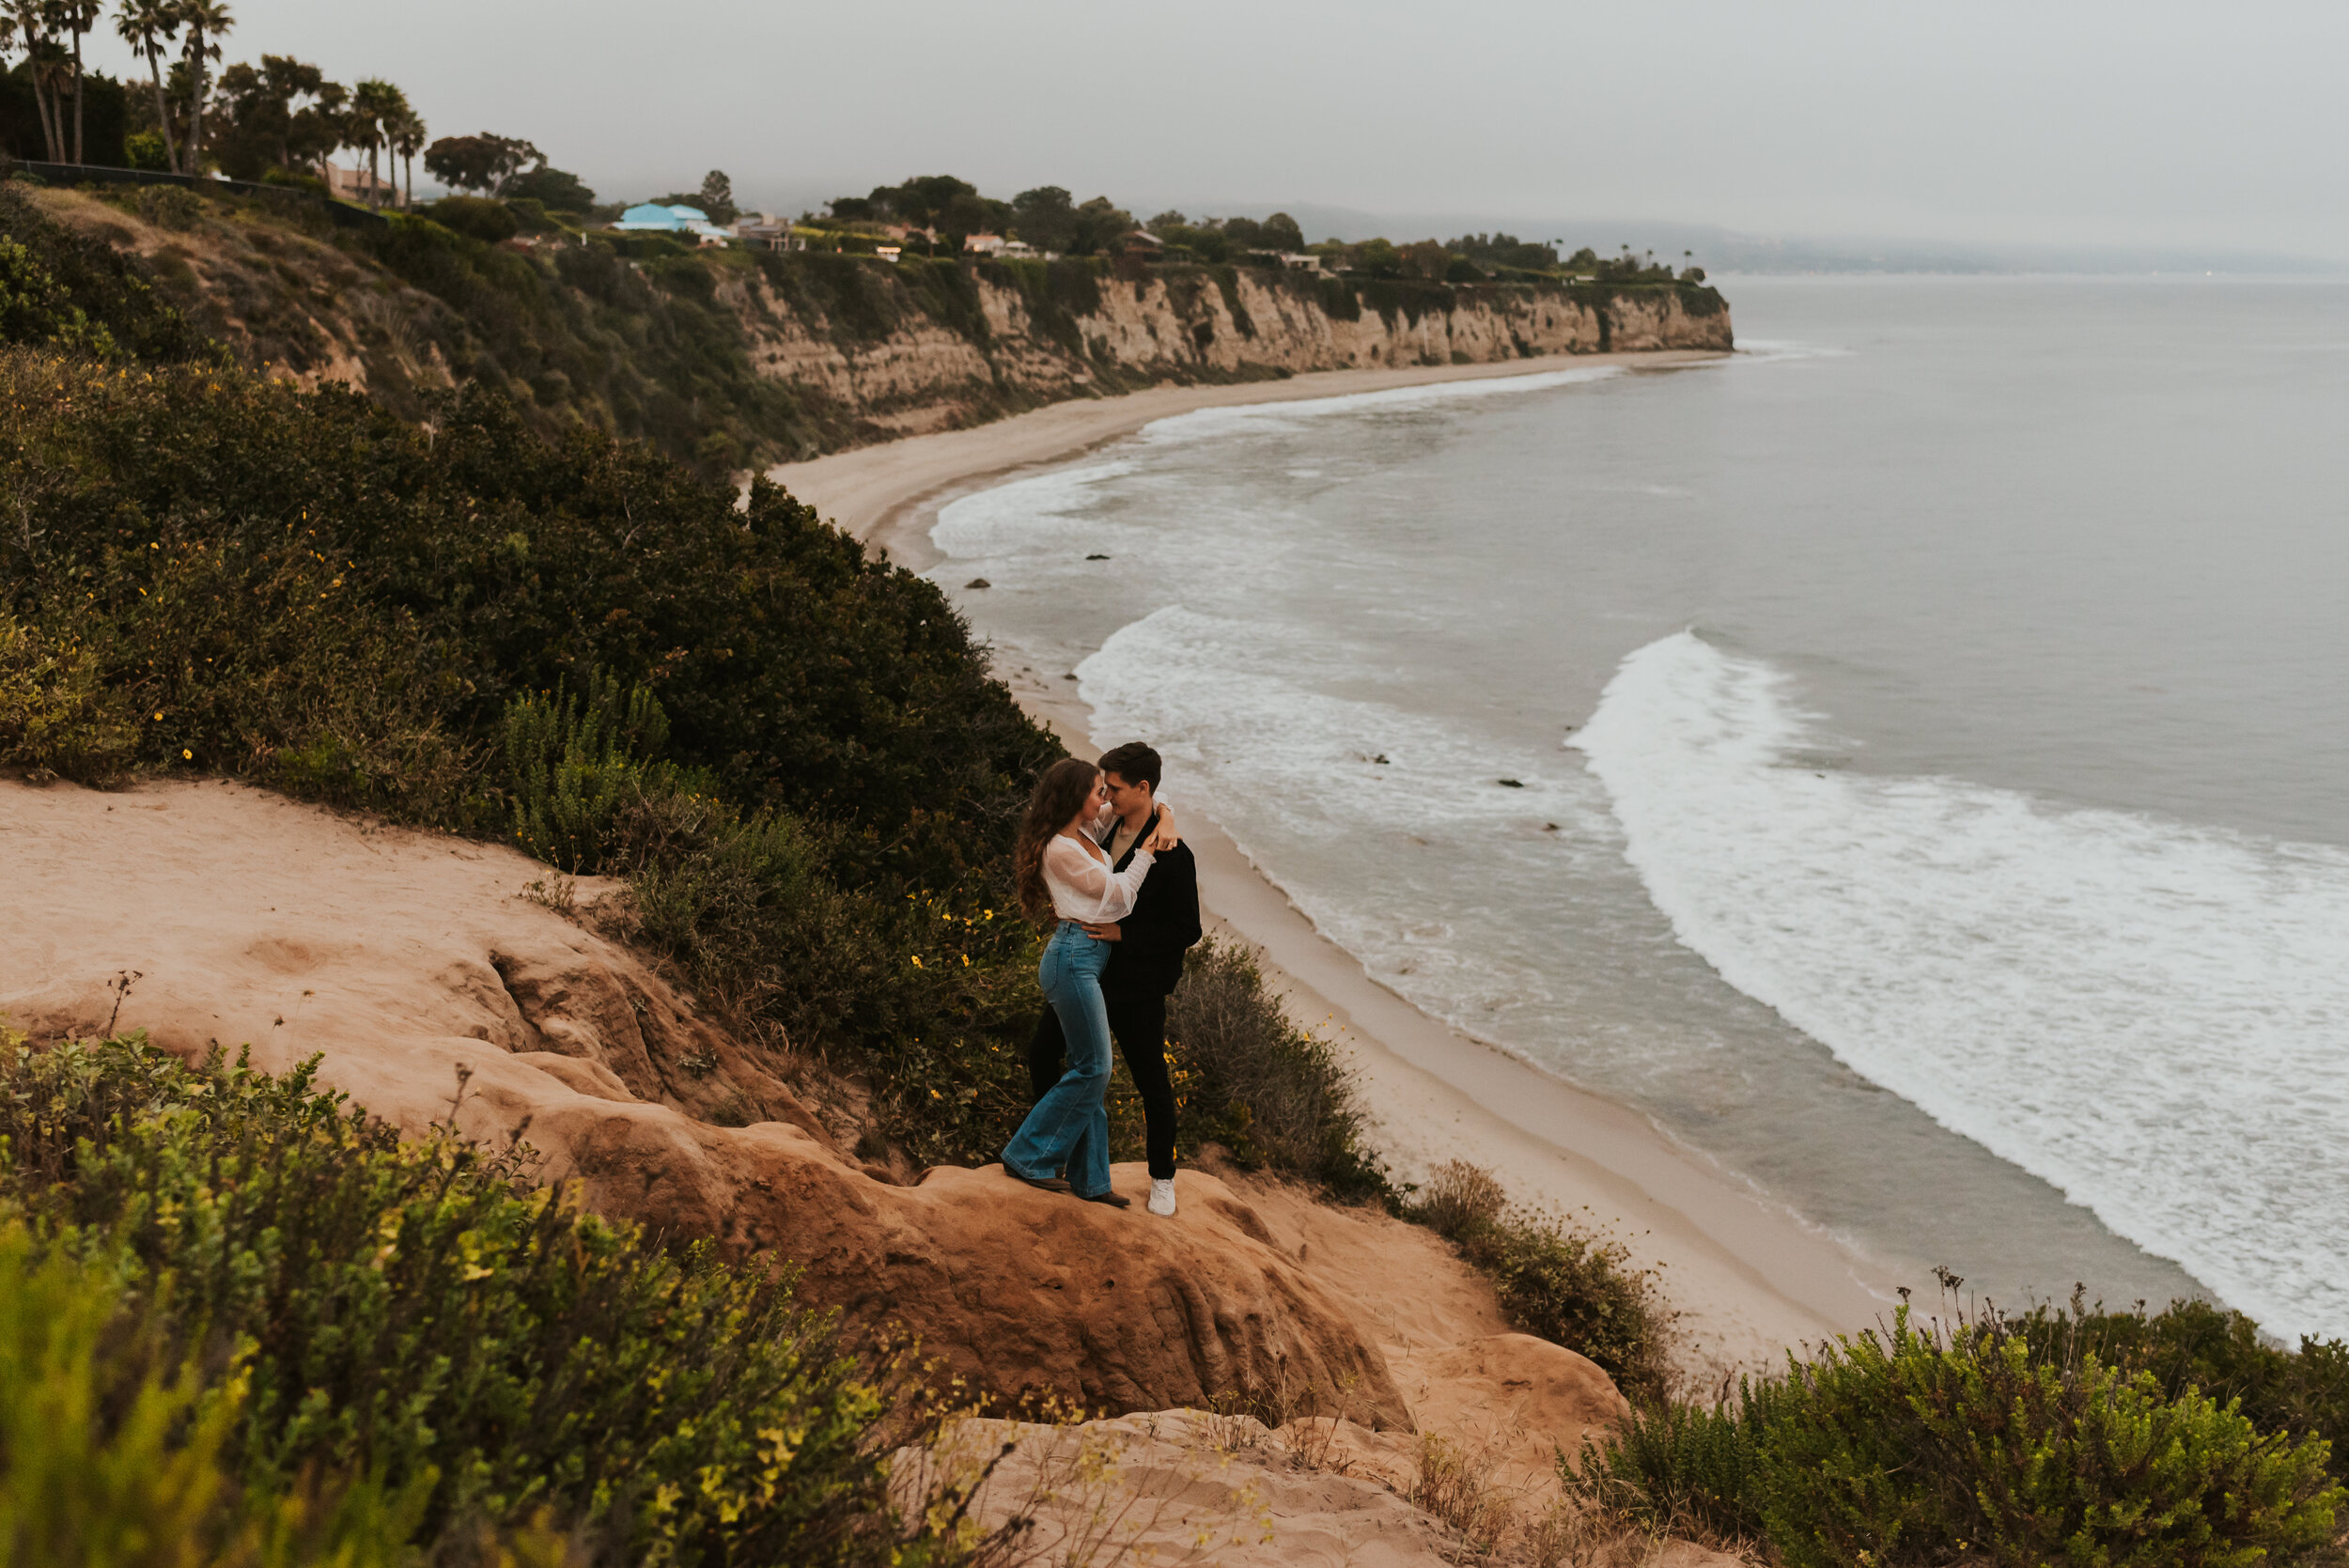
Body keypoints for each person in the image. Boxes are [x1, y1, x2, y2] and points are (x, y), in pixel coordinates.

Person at [1027, 742, 1200, 1218]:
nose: (1106, 797)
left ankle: (1162, 1179)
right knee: (1043, 1054)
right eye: (1103, 788)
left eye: (1116, 789)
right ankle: (1052, 1154)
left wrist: (1126, 933)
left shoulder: (1172, 851)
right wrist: (1166, 809)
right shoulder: (1101, 828)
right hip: (1088, 973)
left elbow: (1188, 930)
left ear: (1141, 789)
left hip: (1137, 986)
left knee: (1151, 1082)